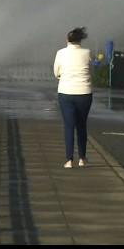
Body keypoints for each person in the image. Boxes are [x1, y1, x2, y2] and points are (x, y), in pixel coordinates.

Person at [53, 27, 92, 169]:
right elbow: (90, 71)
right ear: (80, 40)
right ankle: (82, 158)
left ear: (67, 40)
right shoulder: (87, 53)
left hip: (66, 93)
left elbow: (56, 72)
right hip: (84, 93)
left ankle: (69, 160)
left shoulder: (60, 53)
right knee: (82, 125)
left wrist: (62, 77)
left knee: (69, 126)